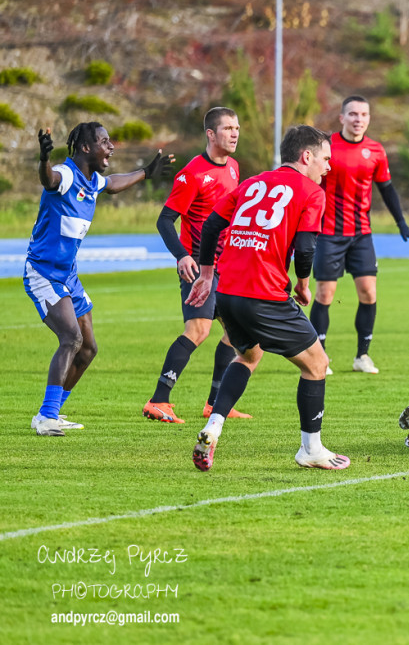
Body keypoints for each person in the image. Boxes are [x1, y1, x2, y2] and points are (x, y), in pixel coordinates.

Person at [186, 125, 349, 471]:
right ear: (306, 157)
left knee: (247, 356)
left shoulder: (251, 183)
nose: (328, 167)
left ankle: (212, 427)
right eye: (325, 159)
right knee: (317, 365)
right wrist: (303, 284)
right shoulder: (311, 192)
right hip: (265, 293)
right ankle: (311, 449)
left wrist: (205, 274)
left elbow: (212, 225)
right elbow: (306, 247)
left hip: (228, 292)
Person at [25, 124, 174, 436]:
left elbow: (114, 184)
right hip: (43, 273)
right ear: (85, 148)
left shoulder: (92, 181)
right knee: (71, 339)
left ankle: (49, 412)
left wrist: (146, 172)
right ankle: (47, 417)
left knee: (88, 348)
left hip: (68, 275)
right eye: (105, 142)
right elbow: (49, 180)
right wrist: (44, 159)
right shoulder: (66, 175)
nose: (111, 147)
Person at [143, 107, 252, 424]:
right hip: (200, 269)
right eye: (228, 128)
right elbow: (165, 221)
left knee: (236, 332)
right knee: (199, 330)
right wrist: (182, 255)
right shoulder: (191, 175)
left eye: (237, 127)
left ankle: (216, 403)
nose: (234, 133)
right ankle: (158, 401)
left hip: (227, 266)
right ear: (210, 134)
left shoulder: (233, 167)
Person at [309, 95, 409, 376]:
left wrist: (401, 223)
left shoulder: (376, 150)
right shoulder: (327, 147)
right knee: (325, 294)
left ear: (369, 119)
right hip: (329, 233)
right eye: (353, 114)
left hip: (361, 234)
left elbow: (386, 189)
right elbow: (309, 182)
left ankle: (362, 356)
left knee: (369, 293)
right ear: (342, 118)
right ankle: (319, 357)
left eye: (363, 114)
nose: (358, 119)